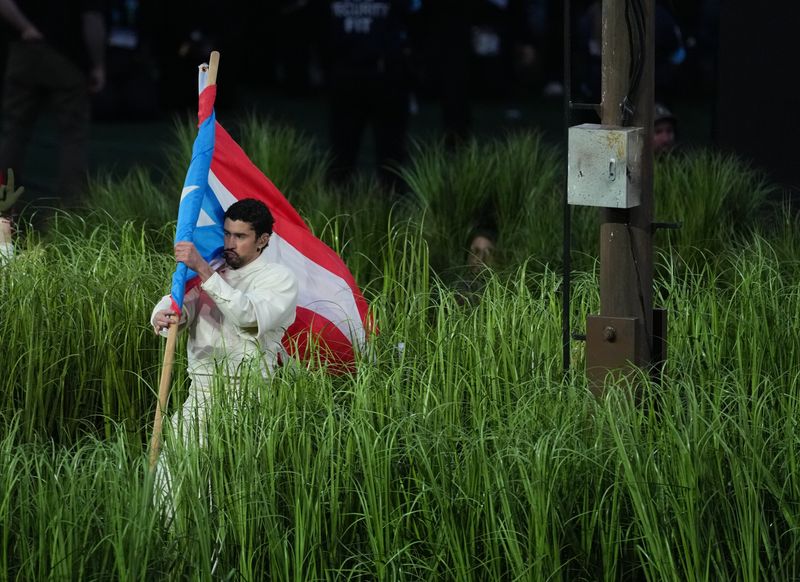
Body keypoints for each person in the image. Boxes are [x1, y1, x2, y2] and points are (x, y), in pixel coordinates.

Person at [150, 198, 299, 445]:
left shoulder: (279, 278)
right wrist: (163, 314)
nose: (230, 243)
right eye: (227, 234)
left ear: (262, 240)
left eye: (240, 237)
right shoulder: (213, 270)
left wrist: (202, 268)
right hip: (198, 396)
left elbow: (248, 318)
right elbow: (180, 302)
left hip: (248, 401)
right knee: (170, 477)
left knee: (227, 482)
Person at [0, 0, 106, 207]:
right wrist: (98, 65)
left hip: (24, 51)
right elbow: (92, 18)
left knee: (14, 132)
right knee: (73, 137)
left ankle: (3, 207)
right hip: (67, 56)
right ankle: (71, 212)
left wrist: (26, 28)